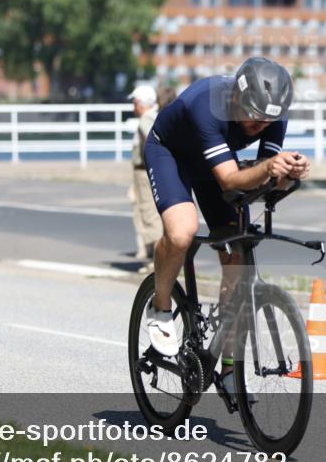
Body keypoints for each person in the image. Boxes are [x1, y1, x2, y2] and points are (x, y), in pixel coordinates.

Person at [144, 57, 309, 399]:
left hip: (215, 166)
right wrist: (268, 169)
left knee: (239, 259)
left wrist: (288, 172)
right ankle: (160, 308)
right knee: (181, 232)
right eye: (254, 116)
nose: (260, 125)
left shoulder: (272, 115)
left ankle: (230, 368)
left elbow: (265, 183)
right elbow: (232, 179)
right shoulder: (207, 104)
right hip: (171, 156)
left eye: (269, 121)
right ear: (237, 97)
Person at [128, 84, 163, 266]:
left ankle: (156, 262)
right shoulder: (153, 118)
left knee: (150, 215)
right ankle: (156, 259)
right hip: (147, 172)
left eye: (135, 102)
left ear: (140, 103)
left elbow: (153, 146)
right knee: (152, 214)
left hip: (145, 173)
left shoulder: (145, 121)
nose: (134, 106)